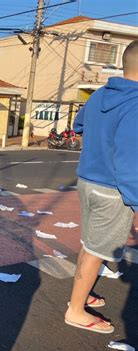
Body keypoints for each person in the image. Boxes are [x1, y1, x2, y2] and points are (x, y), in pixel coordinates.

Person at [64, 40, 138, 334]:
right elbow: (130, 161)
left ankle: (82, 294)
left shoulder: (99, 95)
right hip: (113, 189)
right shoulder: (136, 105)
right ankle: (76, 309)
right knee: (96, 249)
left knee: (91, 244)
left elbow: (79, 125)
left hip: (87, 180)